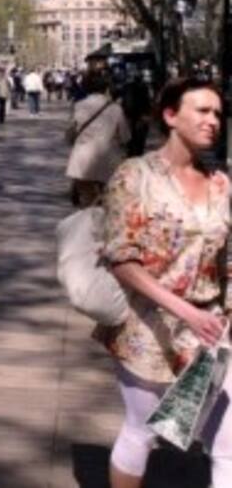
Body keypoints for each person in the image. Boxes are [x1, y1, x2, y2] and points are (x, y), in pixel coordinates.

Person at [99, 77, 232, 488]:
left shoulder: (221, 183)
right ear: (171, 116)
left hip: (212, 328)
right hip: (148, 327)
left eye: (218, 113)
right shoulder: (134, 175)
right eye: (202, 110)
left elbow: (226, 258)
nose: (213, 120)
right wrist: (184, 312)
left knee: (227, 441)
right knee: (142, 432)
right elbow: (120, 259)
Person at [65, 71, 131, 208]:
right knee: (108, 201)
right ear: (106, 89)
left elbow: (71, 130)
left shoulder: (78, 105)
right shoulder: (115, 108)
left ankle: (88, 217)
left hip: (82, 159)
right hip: (109, 159)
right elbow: (125, 136)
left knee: (87, 201)